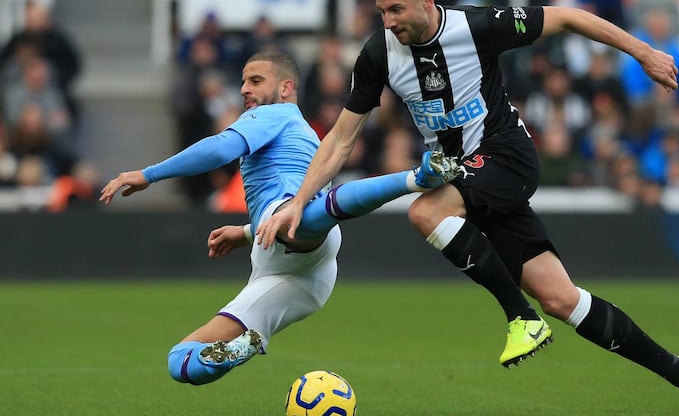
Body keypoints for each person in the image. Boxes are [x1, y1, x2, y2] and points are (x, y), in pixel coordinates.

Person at [260, 0, 679, 416]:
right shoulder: (379, 54)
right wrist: (300, 202)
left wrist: (645, 52)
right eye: (382, 11)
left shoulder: (478, 25)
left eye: (396, 10)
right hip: (466, 178)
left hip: (506, 157)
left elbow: (568, 17)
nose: (388, 21)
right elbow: (341, 138)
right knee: (562, 299)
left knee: (424, 213)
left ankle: (519, 318)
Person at [99, 50, 458, 386]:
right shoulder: (304, 133)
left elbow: (221, 148)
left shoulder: (272, 115)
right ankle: (241, 348)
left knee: (296, 215)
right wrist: (245, 231)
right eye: (243, 82)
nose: (244, 89)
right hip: (304, 276)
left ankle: (415, 178)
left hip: (295, 231)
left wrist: (148, 175)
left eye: (255, 80)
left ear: (286, 88)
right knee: (181, 361)